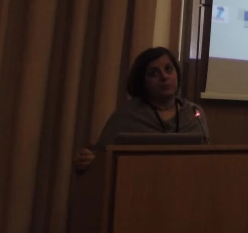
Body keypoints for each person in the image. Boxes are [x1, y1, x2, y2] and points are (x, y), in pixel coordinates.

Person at [73, 46, 209, 172]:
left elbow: (207, 159)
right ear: (142, 82)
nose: (164, 77)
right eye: (153, 73)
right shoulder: (127, 115)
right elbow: (101, 158)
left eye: (168, 69)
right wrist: (88, 159)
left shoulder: (194, 113)